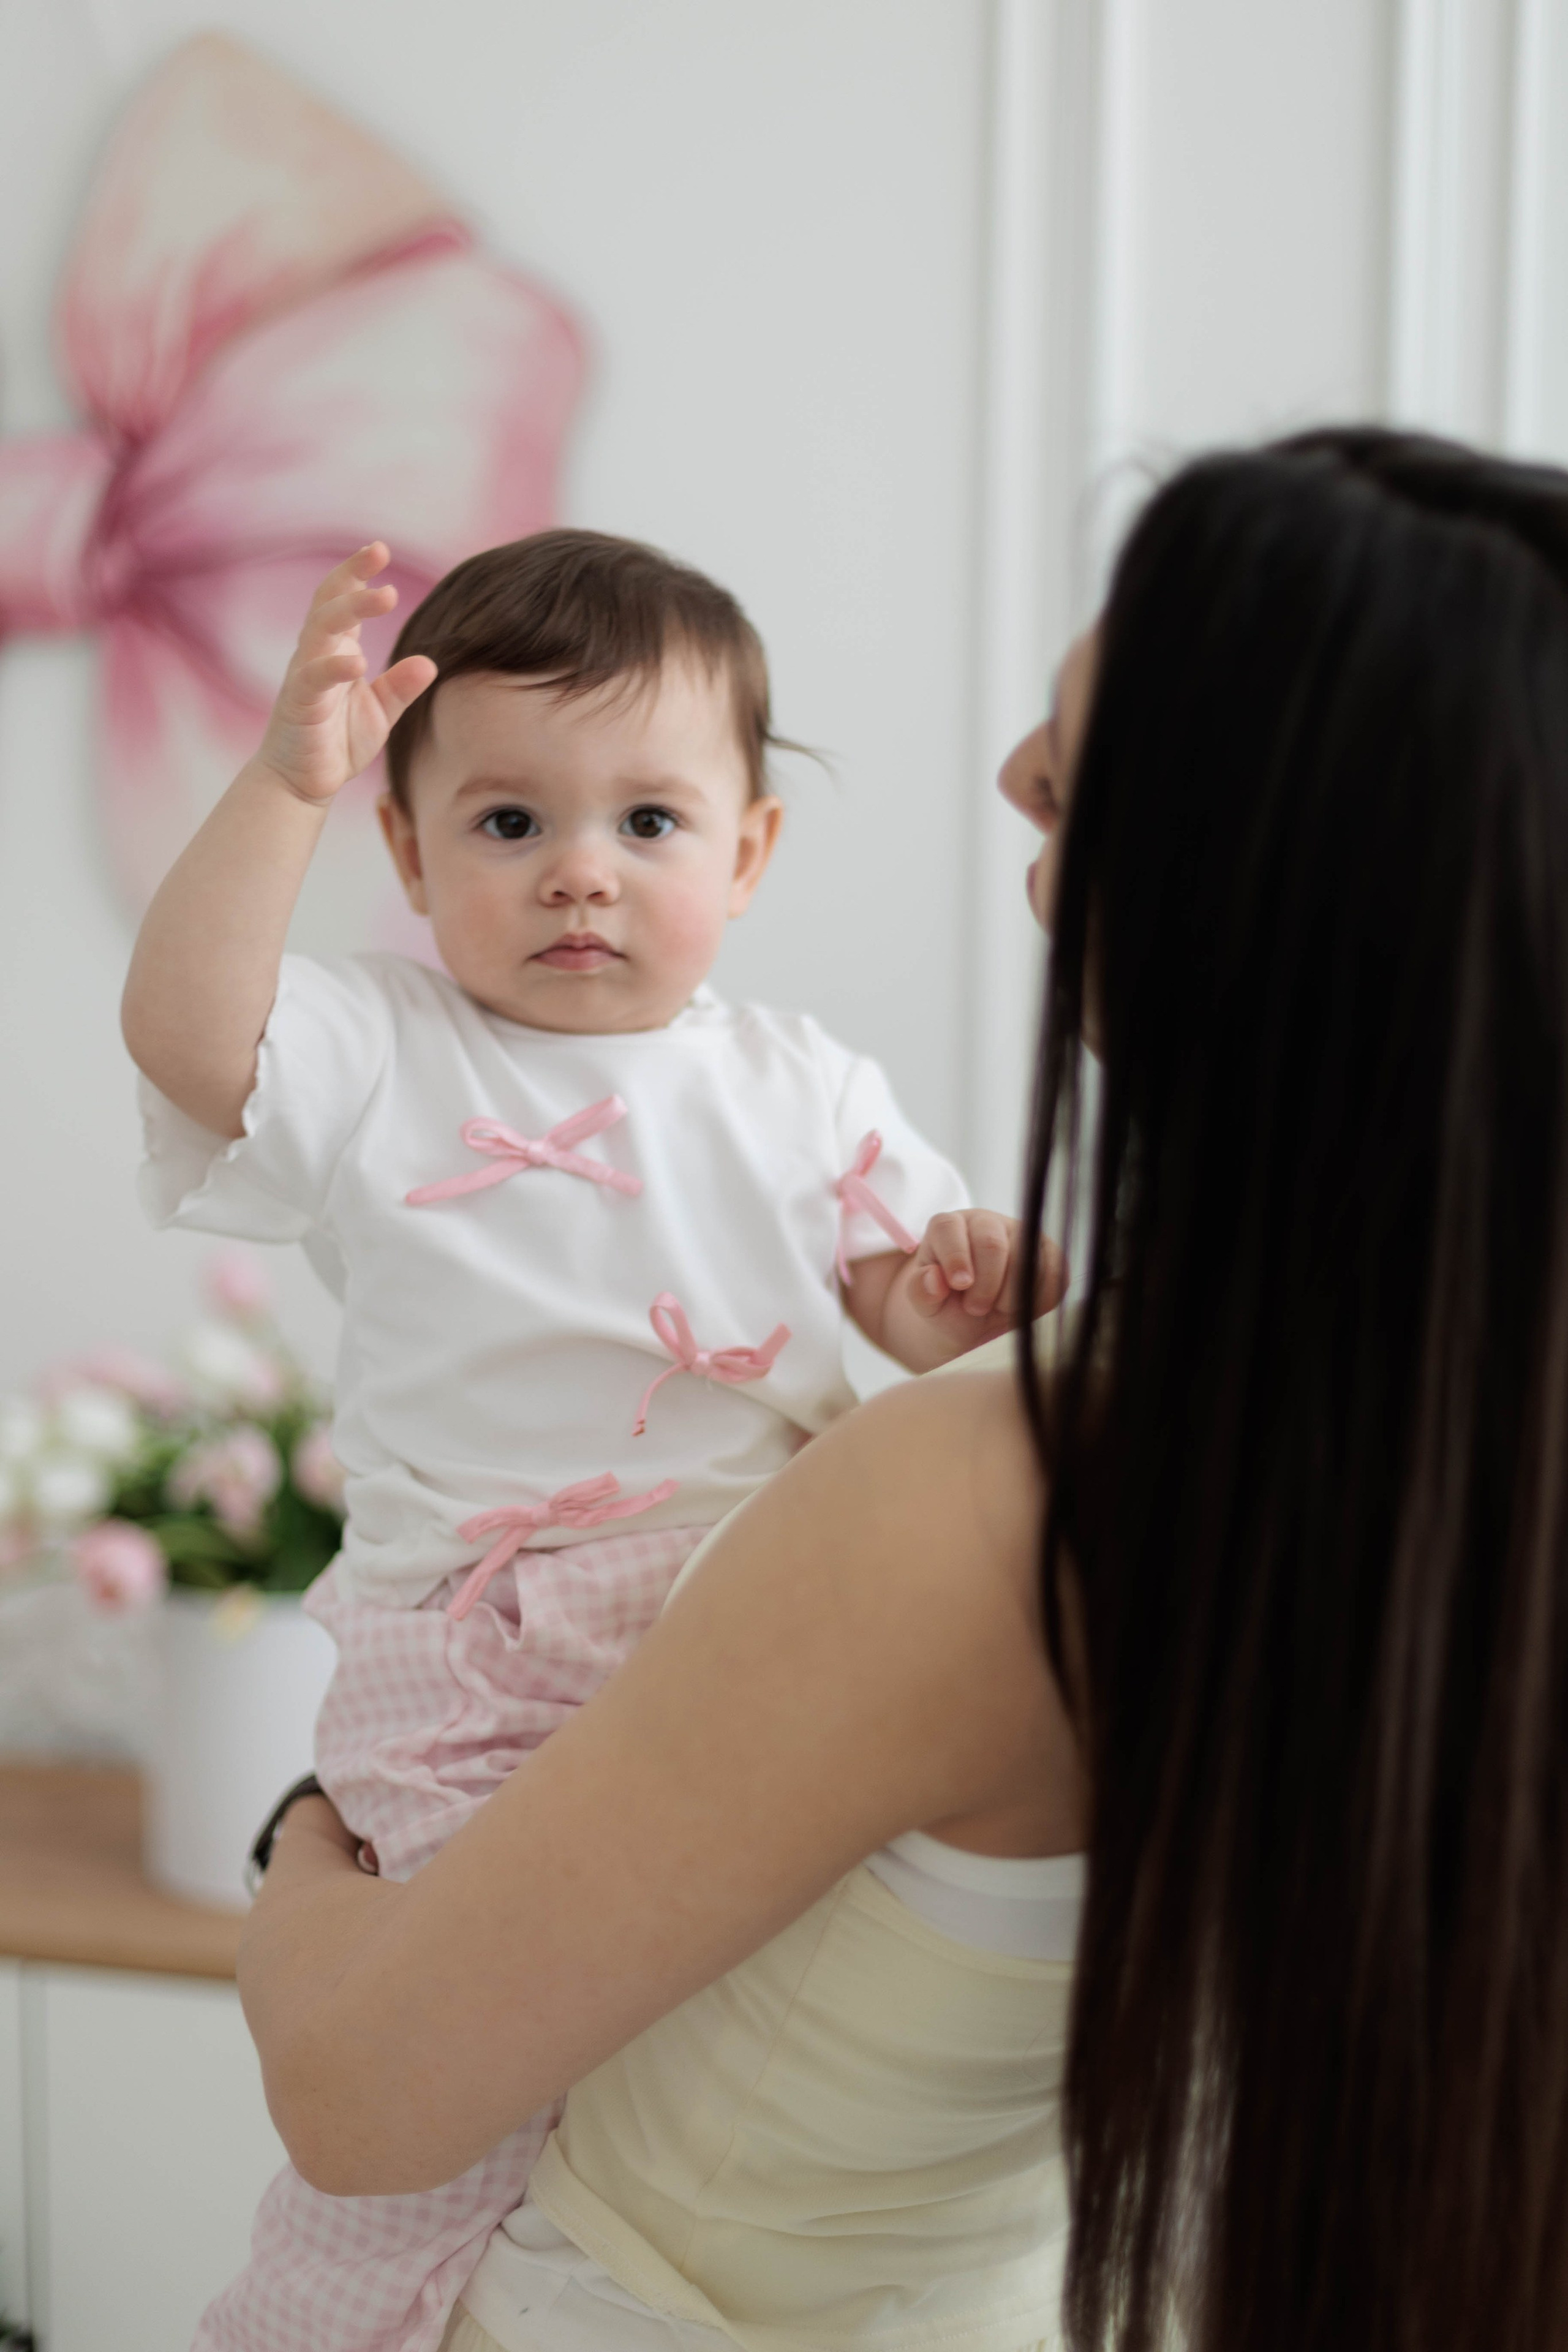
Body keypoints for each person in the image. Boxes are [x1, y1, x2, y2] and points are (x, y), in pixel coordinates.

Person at [236, 426, 1568, 2352]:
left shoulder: (989, 1495)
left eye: (1090, 740)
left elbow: (364, 2098)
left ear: (1277, 873)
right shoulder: (1458, 1440)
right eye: (514, 822)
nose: (1020, 768)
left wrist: (303, 1826)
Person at [121, 530, 1054, 2352]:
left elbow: (903, 1308)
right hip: (478, 1637)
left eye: (648, 824)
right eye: (505, 826)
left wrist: (946, 1305)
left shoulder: (801, 1085)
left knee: (705, 2029)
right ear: (404, 849)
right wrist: (277, 787)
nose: (580, 878)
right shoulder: (386, 1046)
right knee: (446, 2084)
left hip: (741, 1616)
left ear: (749, 853)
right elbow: (188, 1039)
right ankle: (347, 2315)